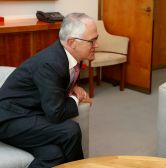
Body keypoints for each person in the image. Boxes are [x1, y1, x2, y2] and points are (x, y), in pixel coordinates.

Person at [0, 13, 97, 167]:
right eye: (92, 41)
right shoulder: (50, 63)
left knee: (53, 155)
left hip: (31, 112)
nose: (96, 45)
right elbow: (56, 114)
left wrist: (73, 87)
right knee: (70, 130)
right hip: (9, 119)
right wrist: (76, 98)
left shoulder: (71, 56)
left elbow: (57, 83)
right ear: (72, 42)